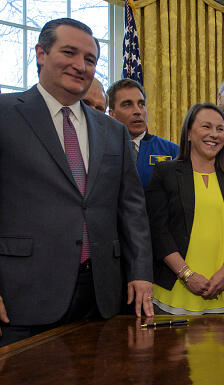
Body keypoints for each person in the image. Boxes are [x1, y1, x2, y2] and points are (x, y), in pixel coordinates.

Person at [0, 18, 153, 347]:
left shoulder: (113, 131)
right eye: (69, 52)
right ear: (41, 53)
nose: (80, 66)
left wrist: (141, 272)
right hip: (24, 297)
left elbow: (132, 210)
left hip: (102, 297)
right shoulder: (5, 114)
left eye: (90, 59)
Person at [145, 103, 224, 315]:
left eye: (220, 129)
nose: (214, 134)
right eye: (206, 127)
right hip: (174, 292)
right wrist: (187, 275)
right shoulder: (165, 173)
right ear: (189, 133)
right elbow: (158, 231)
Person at [107, 79, 179, 188]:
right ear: (112, 114)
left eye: (141, 104)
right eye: (127, 105)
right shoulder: (100, 150)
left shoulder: (172, 151)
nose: (138, 111)